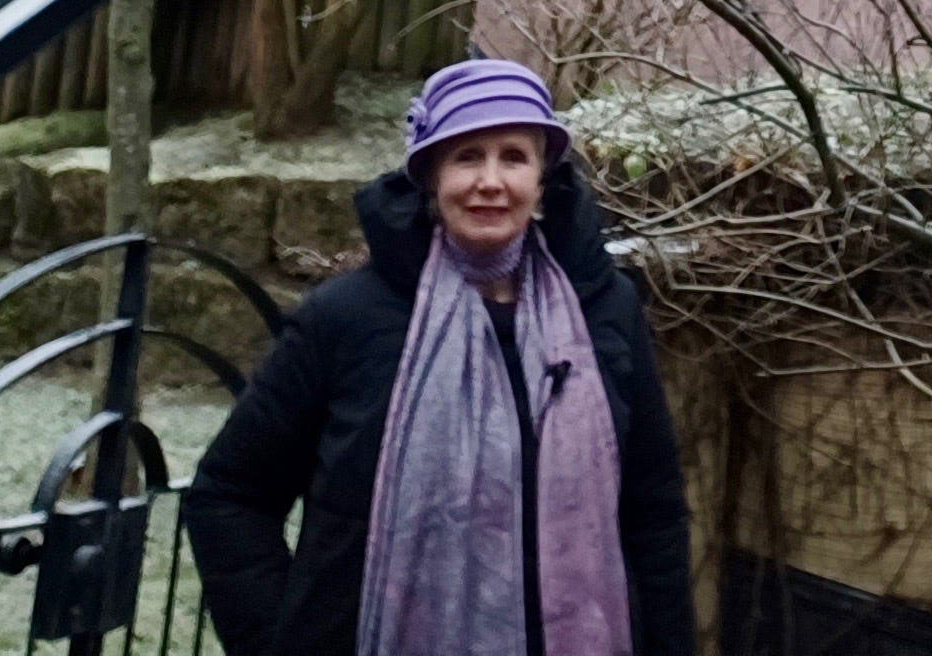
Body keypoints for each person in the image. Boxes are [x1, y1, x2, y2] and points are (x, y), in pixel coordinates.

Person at [189, 60, 694, 656]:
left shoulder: (604, 311)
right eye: (466, 157)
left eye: (514, 157)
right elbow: (231, 494)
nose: (490, 181)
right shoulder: (348, 318)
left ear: (541, 180)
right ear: (430, 175)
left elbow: (653, 510)